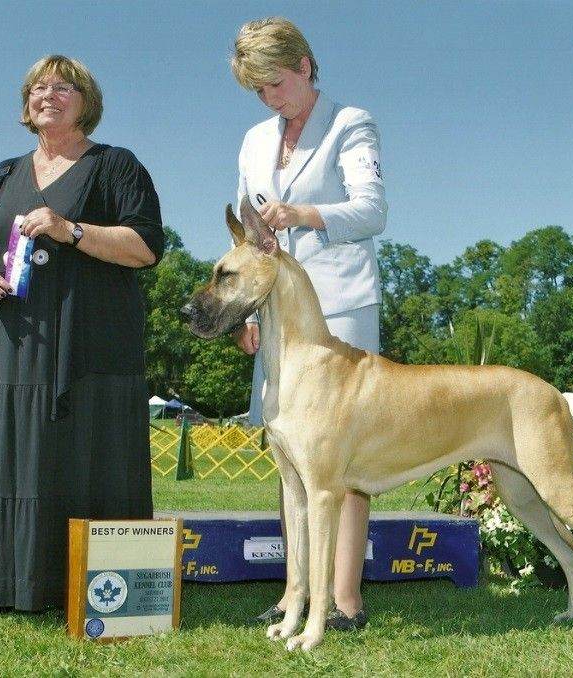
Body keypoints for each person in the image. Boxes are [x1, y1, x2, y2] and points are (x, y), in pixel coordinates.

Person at [0, 55, 164, 619]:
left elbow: (146, 247)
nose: (49, 95)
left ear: (86, 101)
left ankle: (94, 589)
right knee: (9, 461)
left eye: (64, 87)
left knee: (82, 459)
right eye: (38, 87)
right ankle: (1, 585)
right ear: (27, 103)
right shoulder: (1, 174)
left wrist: (71, 229)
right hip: (10, 346)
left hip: (90, 348)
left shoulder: (116, 166)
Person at [230, 18, 387, 631]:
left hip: (340, 304)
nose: (269, 98)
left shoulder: (350, 123)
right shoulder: (252, 141)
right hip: (276, 314)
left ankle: (344, 597)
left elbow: (372, 210)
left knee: (341, 455)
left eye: (275, 83)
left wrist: (302, 213)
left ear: (304, 65)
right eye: (258, 90)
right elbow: (248, 234)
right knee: (291, 451)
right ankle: (296, 593)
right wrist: (247, 309)